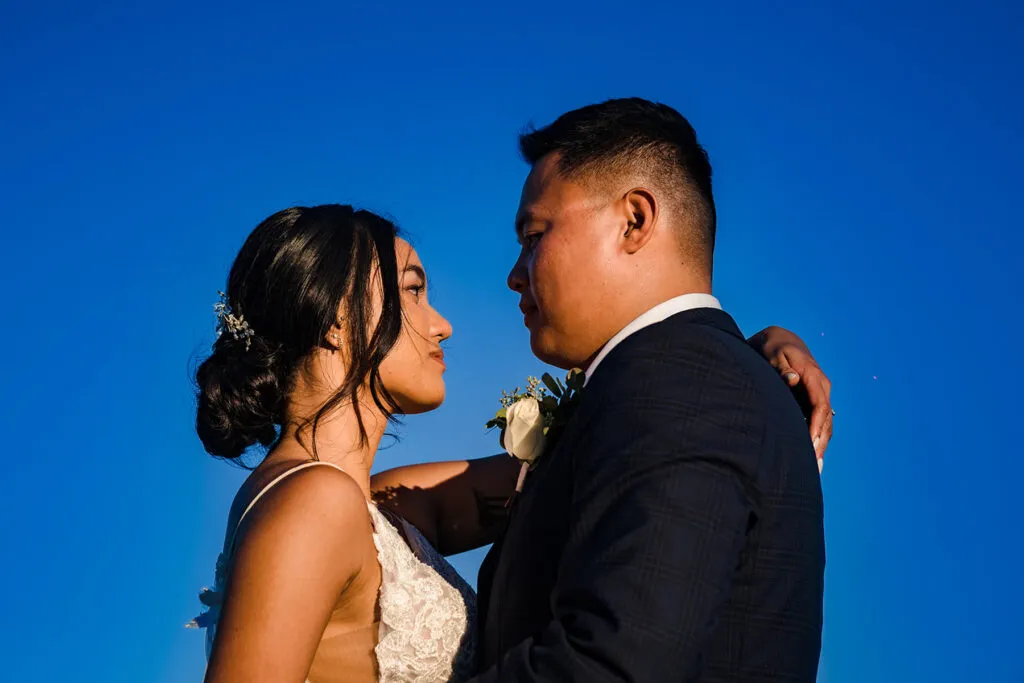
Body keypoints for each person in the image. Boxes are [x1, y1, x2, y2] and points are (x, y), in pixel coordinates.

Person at [189, 197, 830, 682]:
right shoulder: (314, 503)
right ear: (335, 320)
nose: (441, 326)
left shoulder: (376, 508)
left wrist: (737, 355)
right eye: (413, 291)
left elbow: (598, 457)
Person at [472, 98, 827, 682]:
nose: (515, 273)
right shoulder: (683, 375)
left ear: (635, 220)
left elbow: (611, 665)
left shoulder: (683, 380)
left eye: (534, 235)